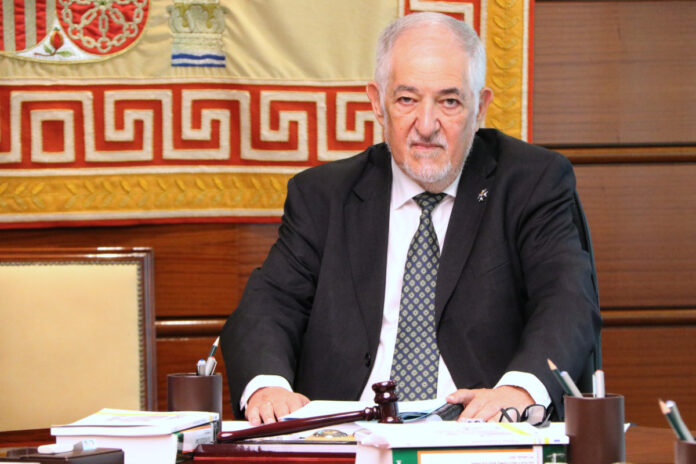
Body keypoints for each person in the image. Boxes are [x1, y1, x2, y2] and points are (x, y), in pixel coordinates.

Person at [221, 12, 601, 425]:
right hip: (350, 432)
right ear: (377, 103)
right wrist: (268, 387)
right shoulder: (322, 195)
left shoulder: (532, 182)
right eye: (407, 99)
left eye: (449, 101)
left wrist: (519, 390)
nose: (426, 125)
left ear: (480, 108)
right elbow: (269, 304)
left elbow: (567, 300)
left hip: (477, 432)